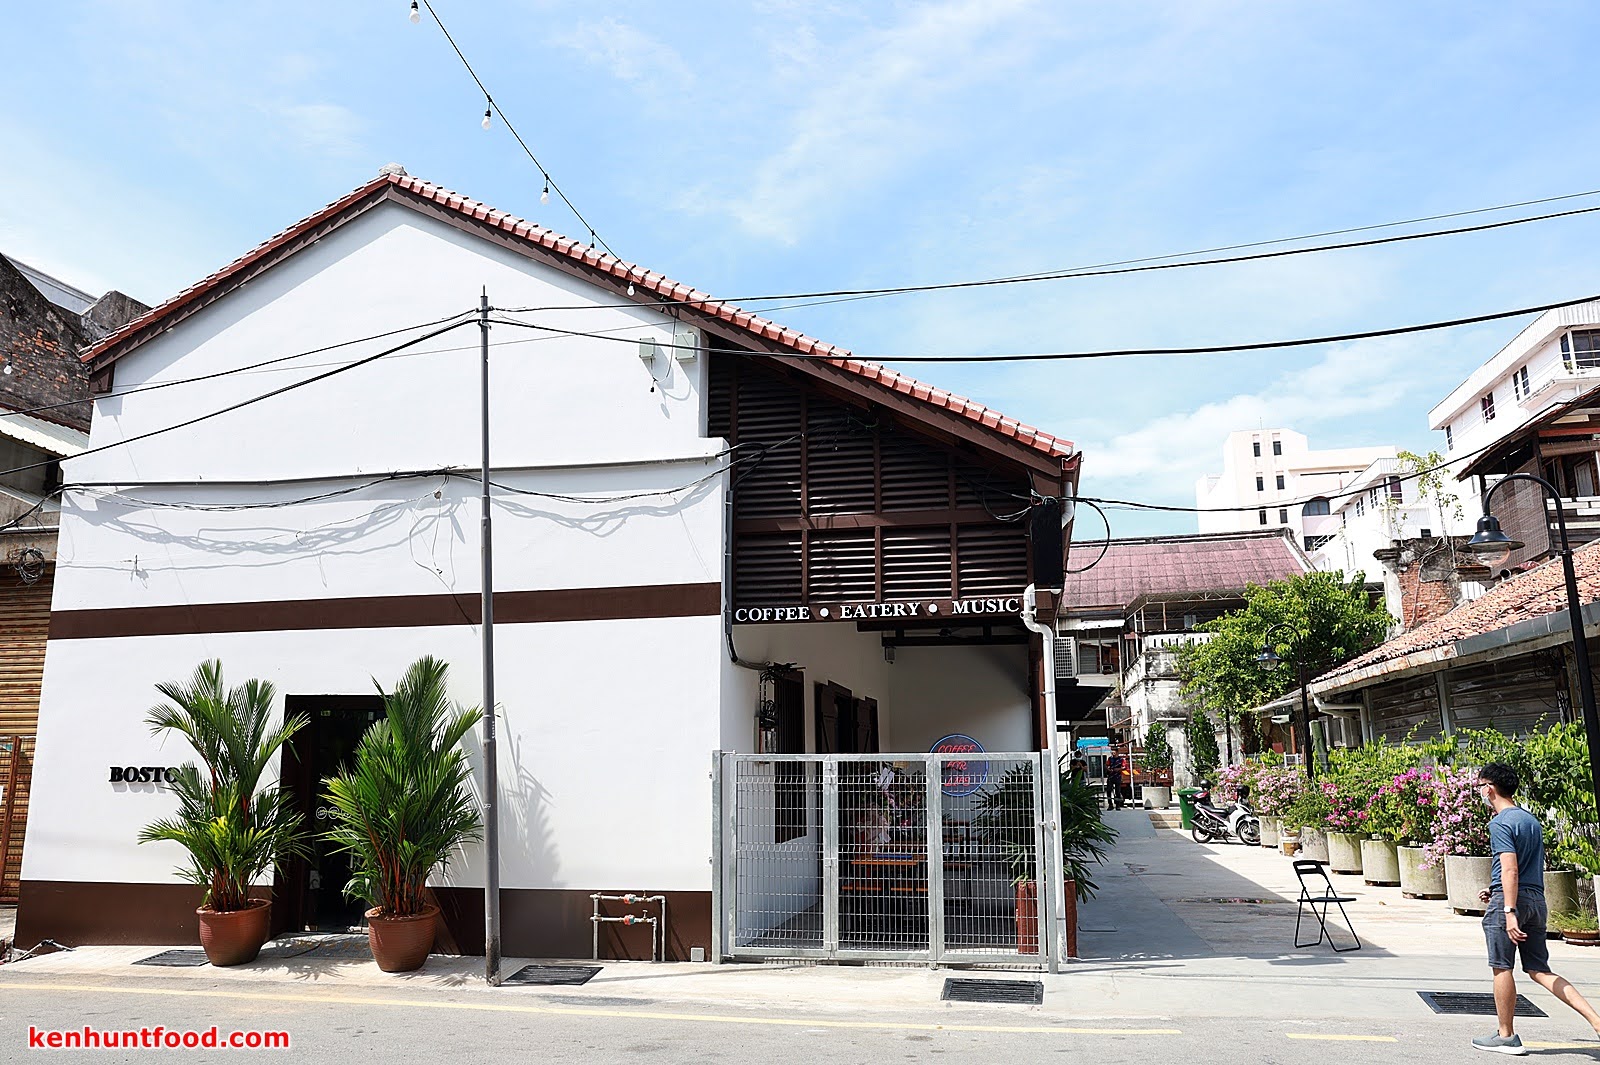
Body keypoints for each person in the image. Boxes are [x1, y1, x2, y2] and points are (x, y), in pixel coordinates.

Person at [1472, 761, 1600, 1056]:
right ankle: (1596, 1021)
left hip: (1512, 902)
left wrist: (1508, 909)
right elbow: (1524, 867)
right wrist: (1495, 888)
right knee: (1539, 969)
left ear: (1489, 789)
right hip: (1536, 900)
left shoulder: (1500, 823)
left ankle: (1506, 1036)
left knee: (1502, 967)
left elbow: (1511, 869)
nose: (1479, 792)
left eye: (1479, 786)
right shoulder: (1530, 820)